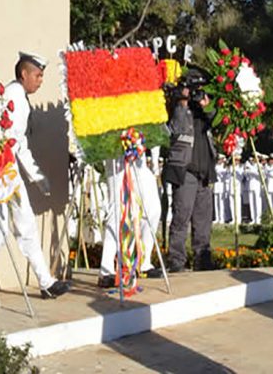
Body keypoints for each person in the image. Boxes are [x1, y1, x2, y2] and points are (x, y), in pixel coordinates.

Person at [0, 52, 70, 309]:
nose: (40, 81)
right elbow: (8, 141)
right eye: (37, 75)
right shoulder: (13, 95)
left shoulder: (17, 97)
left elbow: (19, 143)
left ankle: (45, 281)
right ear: (24, 74)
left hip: (7, 168)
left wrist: (36, 176)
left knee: (24, 225)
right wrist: (32, 175)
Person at [163, 70, 217, 272]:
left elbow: (214, 117)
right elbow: (176, 128)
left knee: (203, 221)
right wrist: (183, 101)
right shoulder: (179, 108)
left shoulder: (203, 109)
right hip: (185, 171)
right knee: (181, 217)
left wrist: (204, 102)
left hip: (205, 172)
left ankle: (203, 259)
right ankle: (176, 261)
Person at [97, 154, 162, 287]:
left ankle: (142, 263)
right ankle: (106, 269)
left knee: (153, 209)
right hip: (117, 158)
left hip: (138, 159)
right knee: (117, 211)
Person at [245, 155, 263, 225]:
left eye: (255, 158)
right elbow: (246, 175)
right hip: (250, 185)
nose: (254, 159)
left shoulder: (260, 165)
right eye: (253, 157)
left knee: (257, 202)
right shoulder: (249, 165)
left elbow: (261, 175)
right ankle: (253, 218)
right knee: (252, 202)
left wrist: (252, 171)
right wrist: (247, 171)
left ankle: (258, 218)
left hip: (257, 185)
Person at [213, 155, 227, 223]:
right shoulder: (216, 166)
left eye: (220, 159)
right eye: (218, 159)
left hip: (221, 186)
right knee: (216, 203)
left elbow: (223, 175)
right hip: (216, 186)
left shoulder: (224, 167)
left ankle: (222, 218)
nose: (219, 160)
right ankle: (217, 218)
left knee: (221, 203)